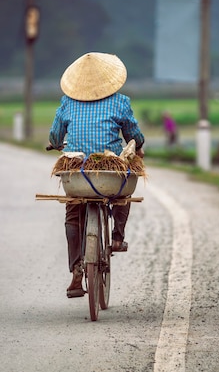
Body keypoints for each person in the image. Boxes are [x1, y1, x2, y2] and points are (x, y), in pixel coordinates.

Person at [48, 52, 145, 298]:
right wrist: (139, 145)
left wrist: (57, 143)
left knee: (73, 214)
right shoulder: (120, 101)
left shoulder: (67, 103)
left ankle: (76, 272)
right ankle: (117, 237)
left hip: (77, 173)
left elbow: (55, 137)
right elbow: (134, 134)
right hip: (108, 171)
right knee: (125, 184)